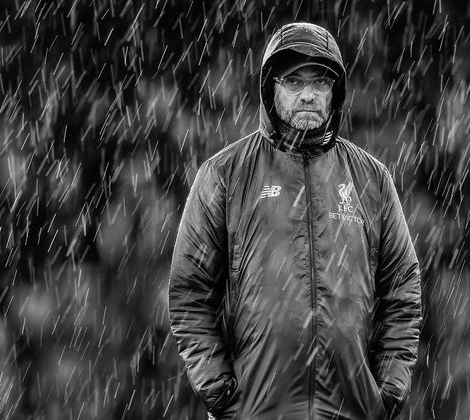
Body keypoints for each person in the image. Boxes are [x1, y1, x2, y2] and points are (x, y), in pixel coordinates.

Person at [169, 22, 422, 420]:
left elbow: (402, 292)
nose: (307, 94)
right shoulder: (223, 175)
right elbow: (189, 294)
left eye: (320, 81)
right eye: (293, 81)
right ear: (270, 87)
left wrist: (386, 393)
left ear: (335, 92)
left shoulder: (372, 180)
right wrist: (222, 396)